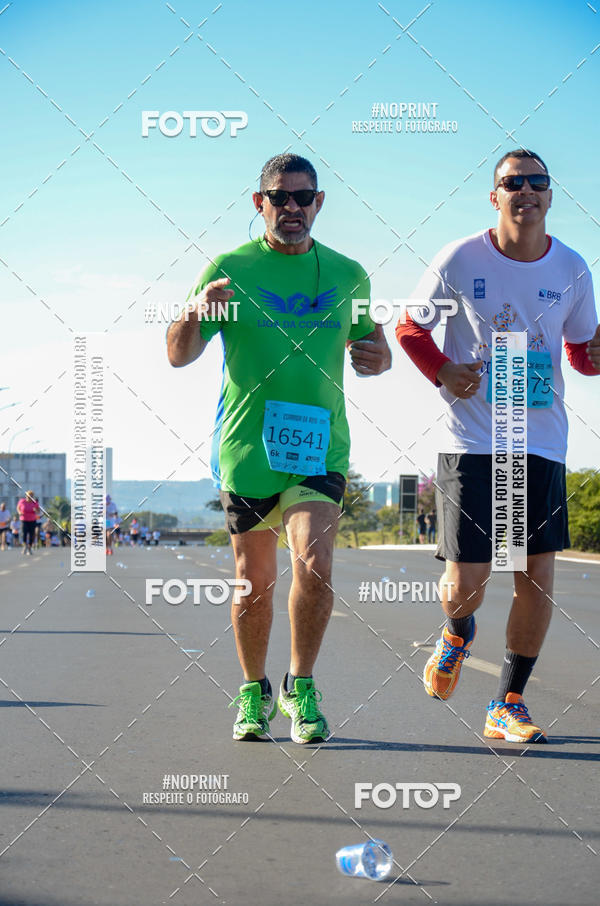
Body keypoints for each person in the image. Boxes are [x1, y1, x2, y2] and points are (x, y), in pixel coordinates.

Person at [168, 152, 391, 744]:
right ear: (258, 202)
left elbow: (376, 344)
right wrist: (194, 311)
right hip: (247, 449)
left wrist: (377, 357)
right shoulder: (230, 268)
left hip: (320, 449)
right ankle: (252, 690)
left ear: (319, 203)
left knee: (314, 567)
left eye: (303, 197)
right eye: (279, 196)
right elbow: (178, 353)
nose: (291, 207)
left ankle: (301, 684)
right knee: (254, 580)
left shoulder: (349, 273)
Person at [397, 149, 600, 743]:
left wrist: (595, 354)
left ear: (550, 195)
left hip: (541, 441)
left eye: (538, 182)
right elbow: (411, 327)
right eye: (513, 183)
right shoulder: (460, 258)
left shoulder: (573, 267)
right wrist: (442, 371)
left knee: (535, 577)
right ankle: (457, 632)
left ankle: (508, 701)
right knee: (469, 583)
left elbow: (583, 354)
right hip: (474, 441)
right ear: (496, 196)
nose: (527, 191)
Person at [17, 490, 40, 556]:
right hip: (24, 520)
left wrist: (36, 510)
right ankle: (24, 546)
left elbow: (38, 511)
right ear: (26, 496)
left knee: (31, 534)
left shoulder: (35, 503)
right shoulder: (22, 501)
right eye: (29, 495)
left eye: (31, 496)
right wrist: (19, 512)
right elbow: (18, 508)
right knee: (24, 533)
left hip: (32, 520)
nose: (30, 497)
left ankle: (29, 548)